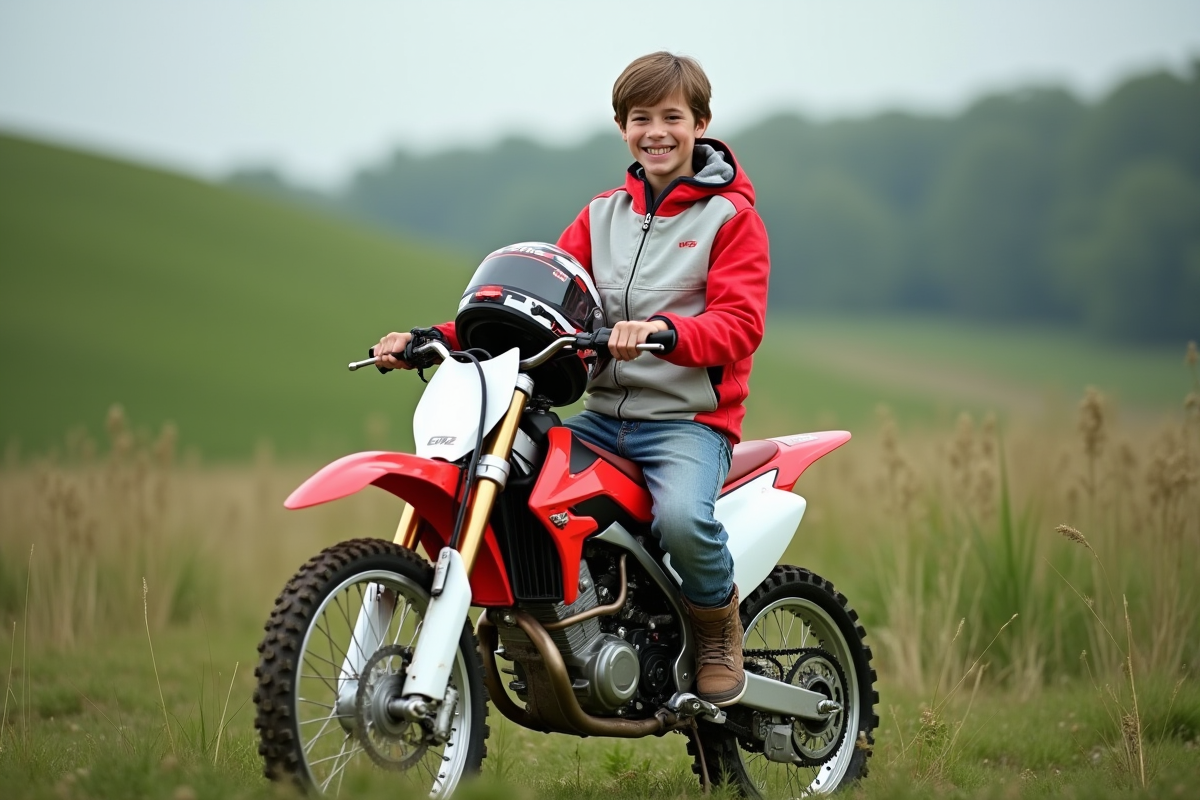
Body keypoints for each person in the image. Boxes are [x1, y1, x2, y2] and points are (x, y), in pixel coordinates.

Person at [374, 51, 770, 707]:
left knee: (680, 519)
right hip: (604, 419)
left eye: (672, 117)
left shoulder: (731, 220)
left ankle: (717, 627)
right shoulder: (600, 216)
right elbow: (530, 302)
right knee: (520, 483)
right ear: (623, 128)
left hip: (687, 425)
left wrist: (665, 332)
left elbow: (739, 324)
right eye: (641, 118)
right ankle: (573, 622)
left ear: (700, 123)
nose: (657, 132)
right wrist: (431, 340)